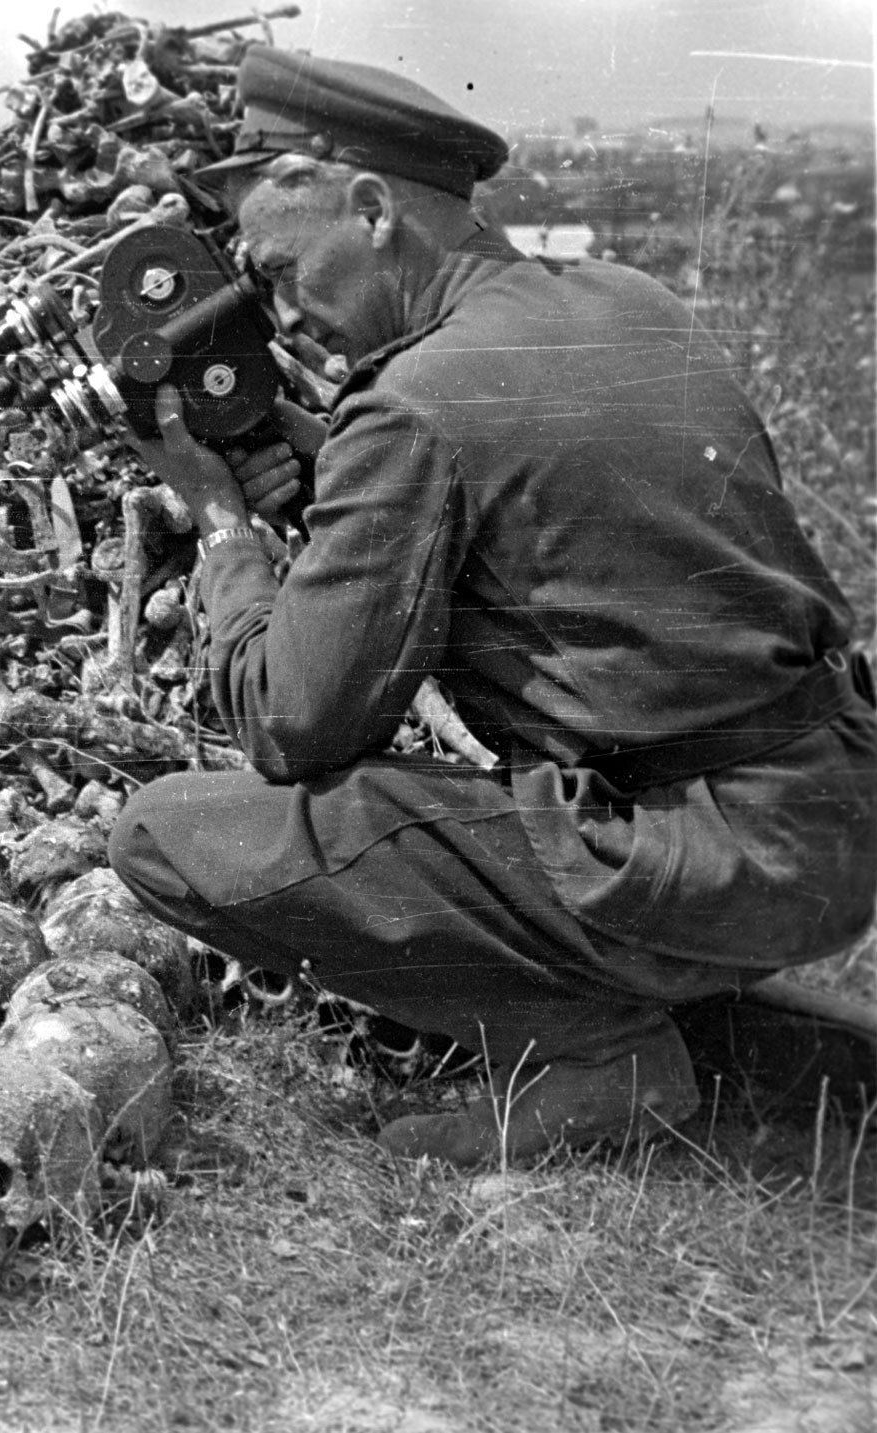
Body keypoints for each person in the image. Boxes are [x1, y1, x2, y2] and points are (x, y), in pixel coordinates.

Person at [106, 44, 877, 1167]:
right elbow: (568, 539)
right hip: (833, 820)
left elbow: (294, 722)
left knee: (168, 834)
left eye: (278, 271)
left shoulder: (414, 407)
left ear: (369, 208)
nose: (282, 314)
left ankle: (601, 1049)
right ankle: (744, 1040)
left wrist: (223, 530)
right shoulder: (628, 298)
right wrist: (345, 475)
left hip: (696, 854)